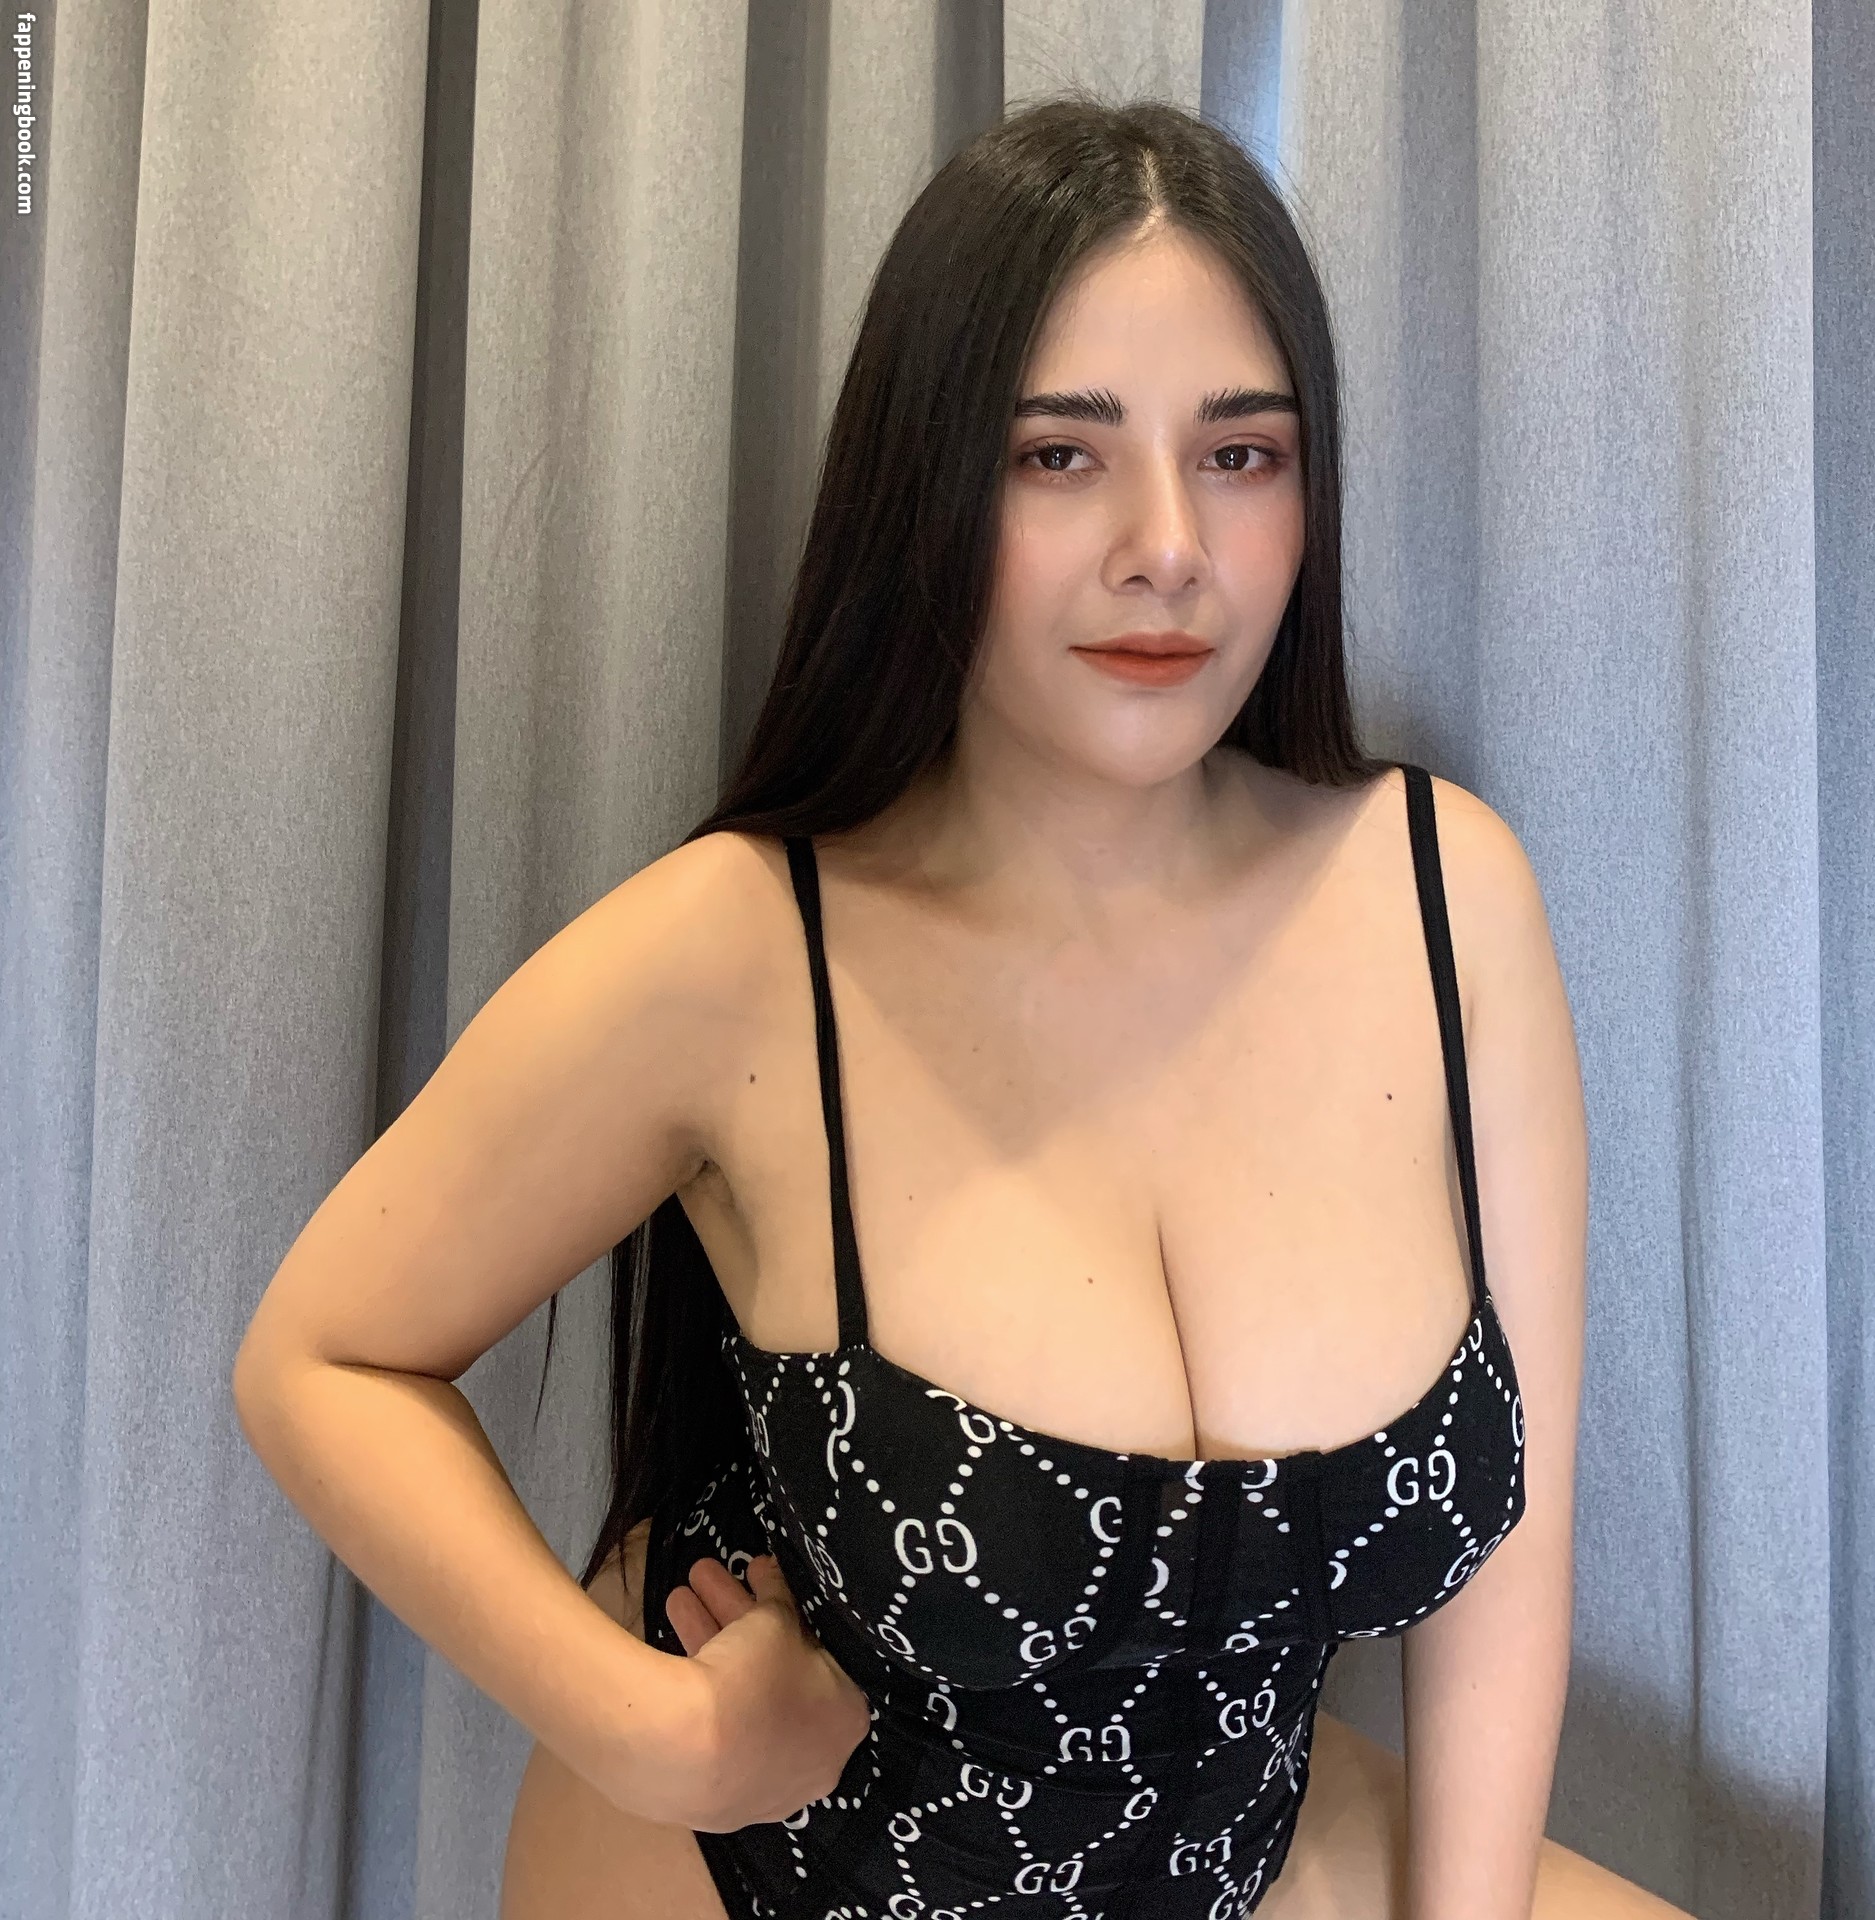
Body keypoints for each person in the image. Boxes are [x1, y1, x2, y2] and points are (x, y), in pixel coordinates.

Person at [236, 95, 1639, 1920]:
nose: (1168, 546)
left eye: (1241, 453)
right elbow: (321, 1359)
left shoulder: (1449, 899)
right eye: (1060, 455)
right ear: (926, 484)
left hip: (1237, 1852)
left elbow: (1503, 1562)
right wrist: (658, 1737)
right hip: (774, 1877)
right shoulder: (744, 952)